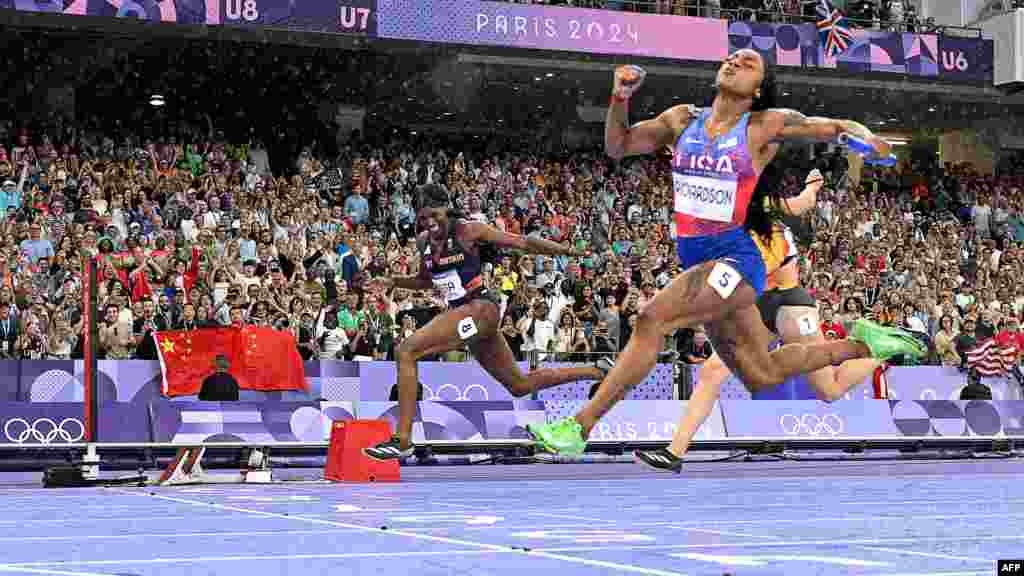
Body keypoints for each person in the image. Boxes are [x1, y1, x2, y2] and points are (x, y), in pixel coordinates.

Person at [527, 51, 926, 456]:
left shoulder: (762, 126)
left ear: (756, 89)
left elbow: (836, 126)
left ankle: (580, 427)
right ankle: (865, 345)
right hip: (700, 263)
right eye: (732, 57)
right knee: (763, 374)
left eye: (748, 63)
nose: (734, 61)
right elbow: (619, 146)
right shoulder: (682, 119)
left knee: (651, 318)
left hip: (735, 261)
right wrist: (619, 98)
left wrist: (869, 140)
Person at [634, 167, 884, 472]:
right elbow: (803, 201)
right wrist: (813, 184)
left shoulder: (764, 225)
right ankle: (675, 452)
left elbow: (747, 273)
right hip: (758, 307)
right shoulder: (739, 221)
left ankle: (878, 349)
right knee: (712, 372)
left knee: (829, 390)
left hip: (790, 304)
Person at [363, 183, 611, 461]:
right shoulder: (423, 243)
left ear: (447, 208)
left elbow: (524, 242)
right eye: (422, 218)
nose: (429, 223)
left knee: (407, 350)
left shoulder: (469, 230)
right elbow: (424, 281)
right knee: (519, 386)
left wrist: (567, 251)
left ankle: (403, 439)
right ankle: (598, 371)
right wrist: (392, 280)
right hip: (466, 314)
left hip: (483, 308)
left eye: (434, 215)